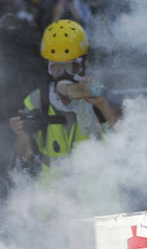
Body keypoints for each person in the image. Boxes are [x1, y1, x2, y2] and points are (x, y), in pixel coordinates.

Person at [7, 20, 122, 177]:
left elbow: (123, 139)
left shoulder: (100, 95)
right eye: (57, 67)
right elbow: (23, 156)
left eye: (71, 66)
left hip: (97, 192)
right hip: (55, 196)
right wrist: (26, 131)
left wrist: (102, 105)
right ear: (48, 68)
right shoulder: (37, 100)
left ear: (84, 64)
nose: (64, 74)